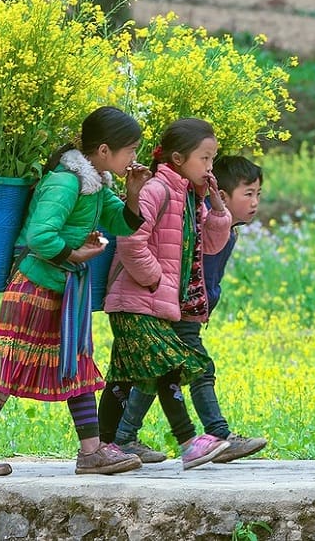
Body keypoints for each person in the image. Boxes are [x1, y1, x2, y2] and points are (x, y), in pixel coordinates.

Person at [0, 106, 152, 477]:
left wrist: (134, 193)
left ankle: (91, 452)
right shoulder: (66, 182)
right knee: (10, 369)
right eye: (130, 150)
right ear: (104, 151)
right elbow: (41, 236)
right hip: (35, 289)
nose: (133, 157)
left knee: (77, 365)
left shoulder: (97, 185)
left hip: (60, 290)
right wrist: (74, 253)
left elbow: (122, 222)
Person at [102, 155, 268, 465]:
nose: (255, 202)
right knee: (199, 369)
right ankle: (218, 435)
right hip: (176, 310)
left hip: (189, 311)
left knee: (152, 376)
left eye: (258, 194)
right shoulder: (196, 221)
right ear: (222, 194)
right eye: (248, 194)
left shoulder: (225, 229)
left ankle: (124, 436)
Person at [98, 117, 233, 470]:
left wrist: (218, 209)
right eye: (204, 158)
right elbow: (130, 241)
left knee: (124, 376)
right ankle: (189, 442)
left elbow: (212, 245)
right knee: (167, 367)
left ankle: (101, 446)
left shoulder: (192, 196)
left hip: (153, 303)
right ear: (177, 158)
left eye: (212, 159)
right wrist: (157, 281)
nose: (209, 166)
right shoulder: (157, 190)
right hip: (135, 300)